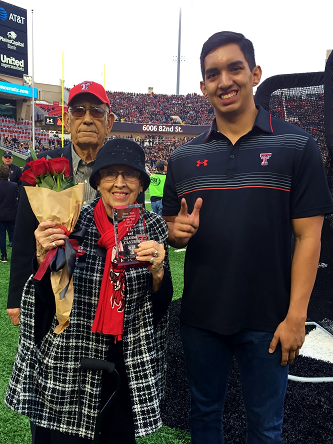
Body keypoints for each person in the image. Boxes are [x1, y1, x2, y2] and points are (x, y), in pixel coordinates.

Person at [162, 31, 333, 444]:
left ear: (255, 73)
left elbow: (310, 238)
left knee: (265, 428)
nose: (225, 80)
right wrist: (176, 234)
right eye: (213, 73)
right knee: (203, 418)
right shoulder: (183, 159)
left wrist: (296, 317)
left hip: (270, 319)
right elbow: (171, 230)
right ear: (202, 87)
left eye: (234, 68)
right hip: (202, 318)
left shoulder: (297, 145)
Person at [5, 139, 173, 444]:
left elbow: (158, 309)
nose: (120, 183)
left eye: (130, 174)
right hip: (71, 363)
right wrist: (43, 258)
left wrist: (158, 272)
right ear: (97, 181)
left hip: (124, 365)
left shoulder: (154, 227)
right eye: (110, 173)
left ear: (141, 184)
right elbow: (47, 300)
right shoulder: (73, 222)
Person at [6, 81, 115, 326]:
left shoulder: (123, 172)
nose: (87, 119)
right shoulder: (41, 166)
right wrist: (15, 298)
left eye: (96, 111)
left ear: (109, 122)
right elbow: (23, 237)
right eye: (79, 110)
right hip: (51, 289)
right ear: (68, 120)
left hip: (105, 292)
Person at [0, 164, 18, 262]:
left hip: (1, 215)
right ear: (9, 175)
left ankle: (3, 256)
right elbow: (17, 198)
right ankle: (15, 256)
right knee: (14, 235)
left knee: (2, 235)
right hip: (12, 214)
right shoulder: (14, 186)